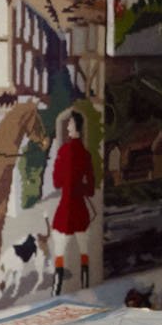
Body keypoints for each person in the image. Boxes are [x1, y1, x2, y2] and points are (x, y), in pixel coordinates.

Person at [50, 110, 96, 294]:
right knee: (84, 251)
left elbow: (57, 182)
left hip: (65, 210)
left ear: (75, 126)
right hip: (80, 211)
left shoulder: (64, 151)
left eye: (69, 123)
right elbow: (90, 188)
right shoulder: (85, 154)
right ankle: (85, 286)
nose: (67, 126)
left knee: (59, 251)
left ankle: (56, 289)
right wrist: (79, 188)